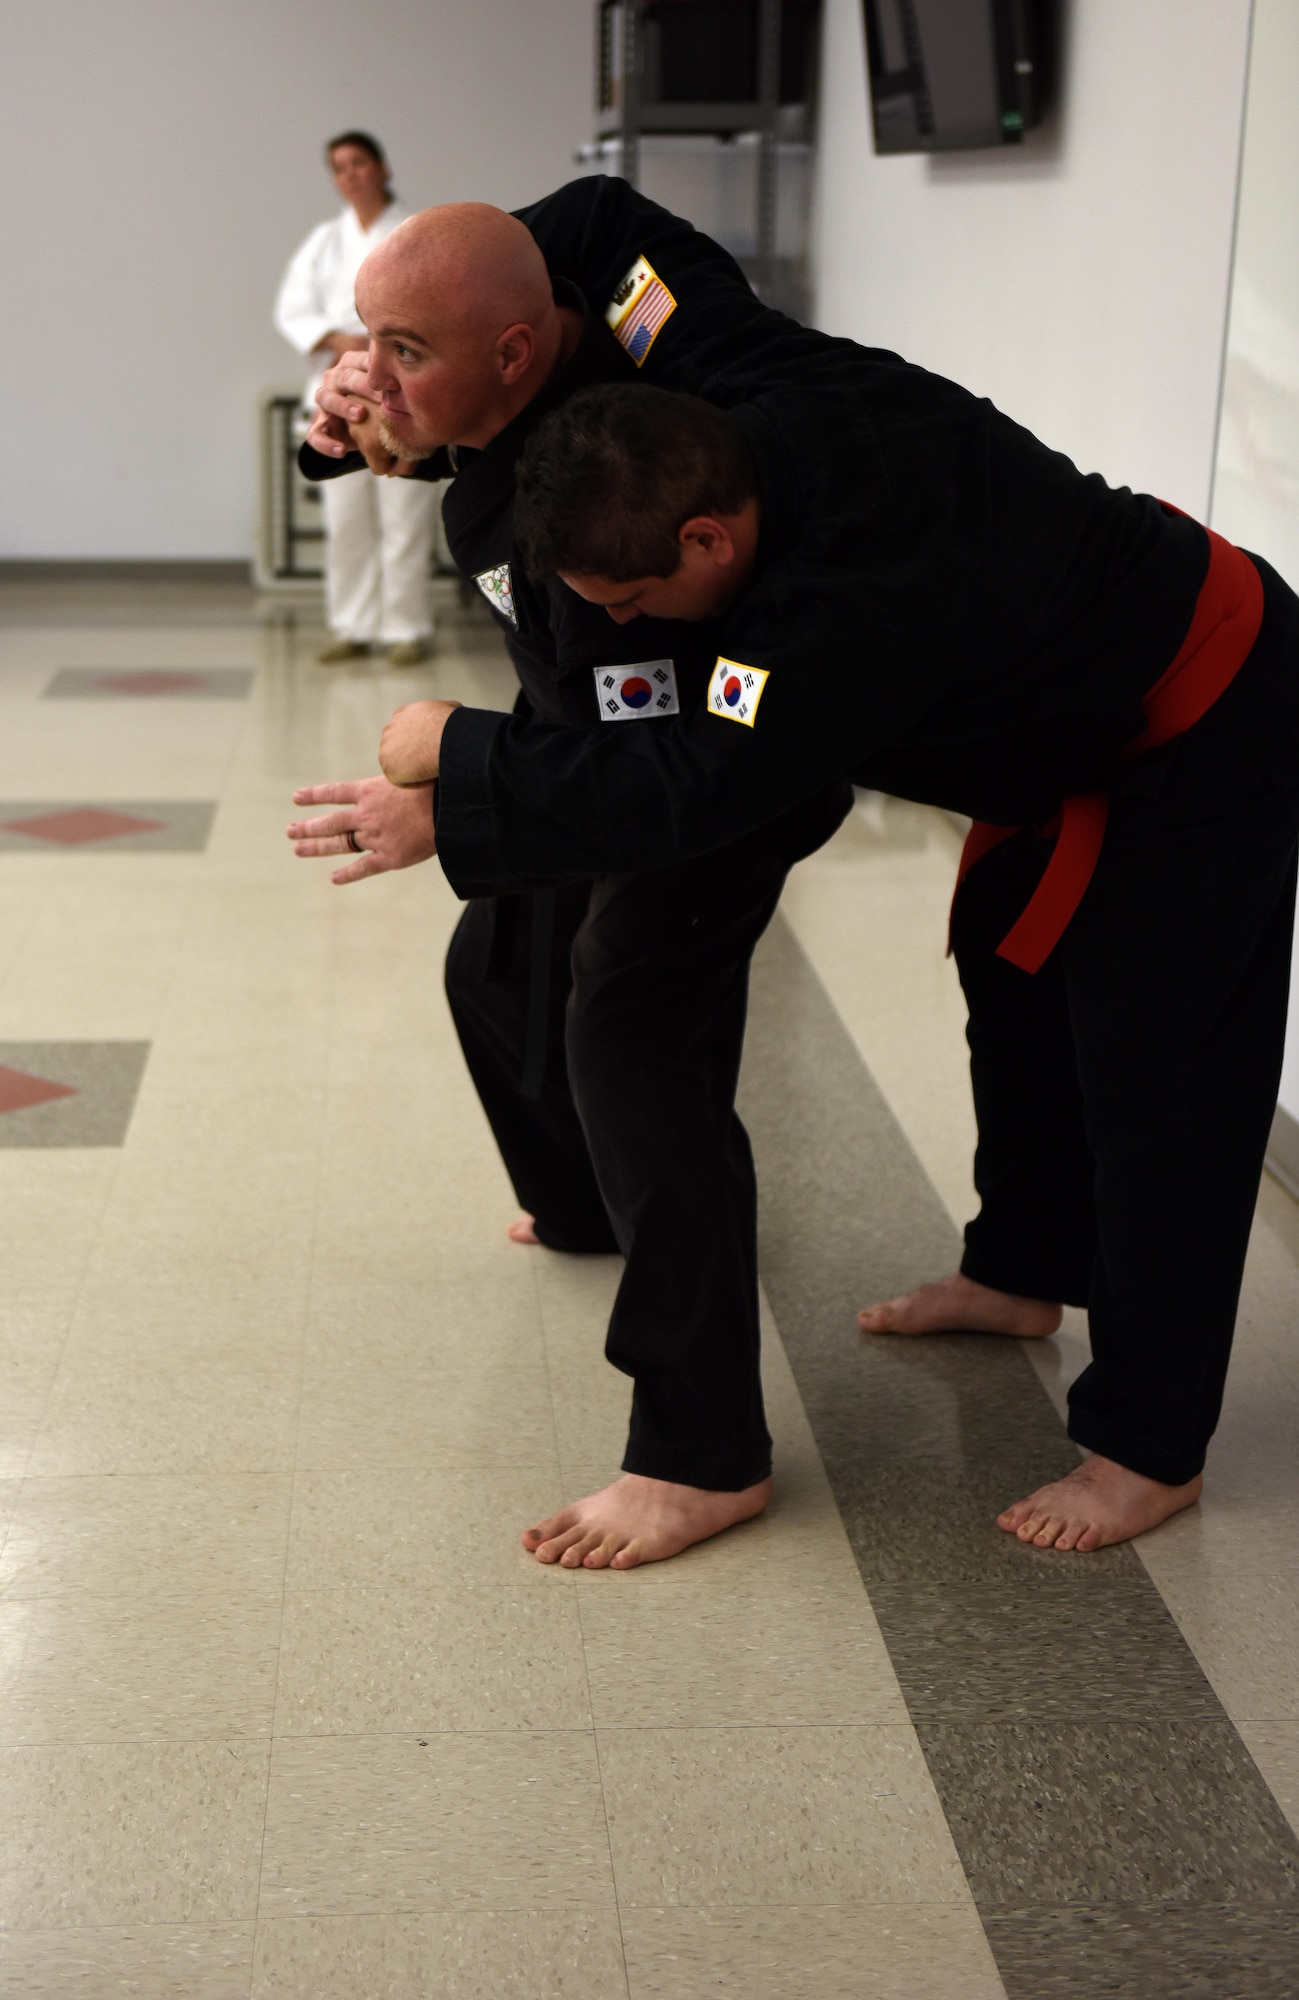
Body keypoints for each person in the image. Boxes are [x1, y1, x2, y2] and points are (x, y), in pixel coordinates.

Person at [376, 375, 1299, 1559]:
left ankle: (1150, 1446)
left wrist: (462, 770)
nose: (632, 630)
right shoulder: (741, 420)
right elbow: (607, 239)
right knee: (1012, 1000)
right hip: (1067, 733)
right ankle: (1022, 1270)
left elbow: (693, 786)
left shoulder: (832, 622)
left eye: (640, 599)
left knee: (1162, 1088)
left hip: (1211, 716)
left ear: (707, 537)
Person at [288, 201, 851, 1568]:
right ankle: (584, 1207)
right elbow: (564, 251)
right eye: (371, 338)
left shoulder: (605, 466)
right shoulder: (491, 409)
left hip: (707, 779)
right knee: (493, 969)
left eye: (404, 345)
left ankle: (700, 1451)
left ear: (517, 349)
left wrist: (456, 782)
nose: (378, 368)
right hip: (582, 746)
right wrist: (356, 413)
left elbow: (651, 761)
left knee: (631, 1039)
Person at [273, 131, 438, 666]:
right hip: (343, 385)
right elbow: (293, 309)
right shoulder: (325, 240)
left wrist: (381, 340)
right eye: (339, 167)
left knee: (405, 511)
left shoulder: (416, 231)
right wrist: (343, 341)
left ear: (382, 167)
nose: (350, 175)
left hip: (402, 383)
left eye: (359, 163)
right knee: (345, 519)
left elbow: (436, 304)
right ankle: (353, 625)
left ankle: (406, 628)